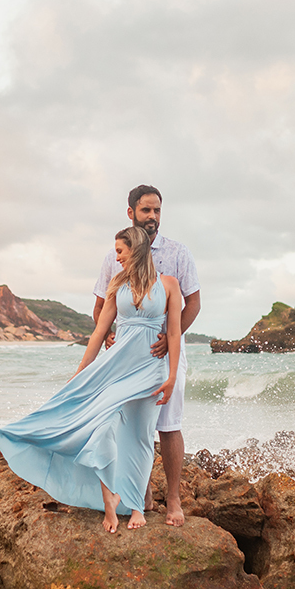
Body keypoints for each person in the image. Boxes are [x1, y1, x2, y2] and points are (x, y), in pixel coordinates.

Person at [0, 226, 183, 533]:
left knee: (142, 435)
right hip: (116, 368)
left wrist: (173, 376)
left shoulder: (169, 285)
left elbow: (173, 332)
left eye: (120, 251)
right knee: (103, 428)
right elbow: (99, 332)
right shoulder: (117, 283)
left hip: (151, 369)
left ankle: (136, 507)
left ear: (134, 249)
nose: (116, 257)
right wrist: (81, 371)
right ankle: (109, 500)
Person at [92, 185, 200, 527]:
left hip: (166, 354)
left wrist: (171, 341)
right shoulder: (115, 255)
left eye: (157, 211)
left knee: (168, 424)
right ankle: (140, 493)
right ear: (131, 213)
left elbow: (193, 303)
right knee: (126, 422)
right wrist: (111, 336)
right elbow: (100, 307)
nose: (152, 217)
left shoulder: (178, 254)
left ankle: (172, 497)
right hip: (126, 356)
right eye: (145, 211)